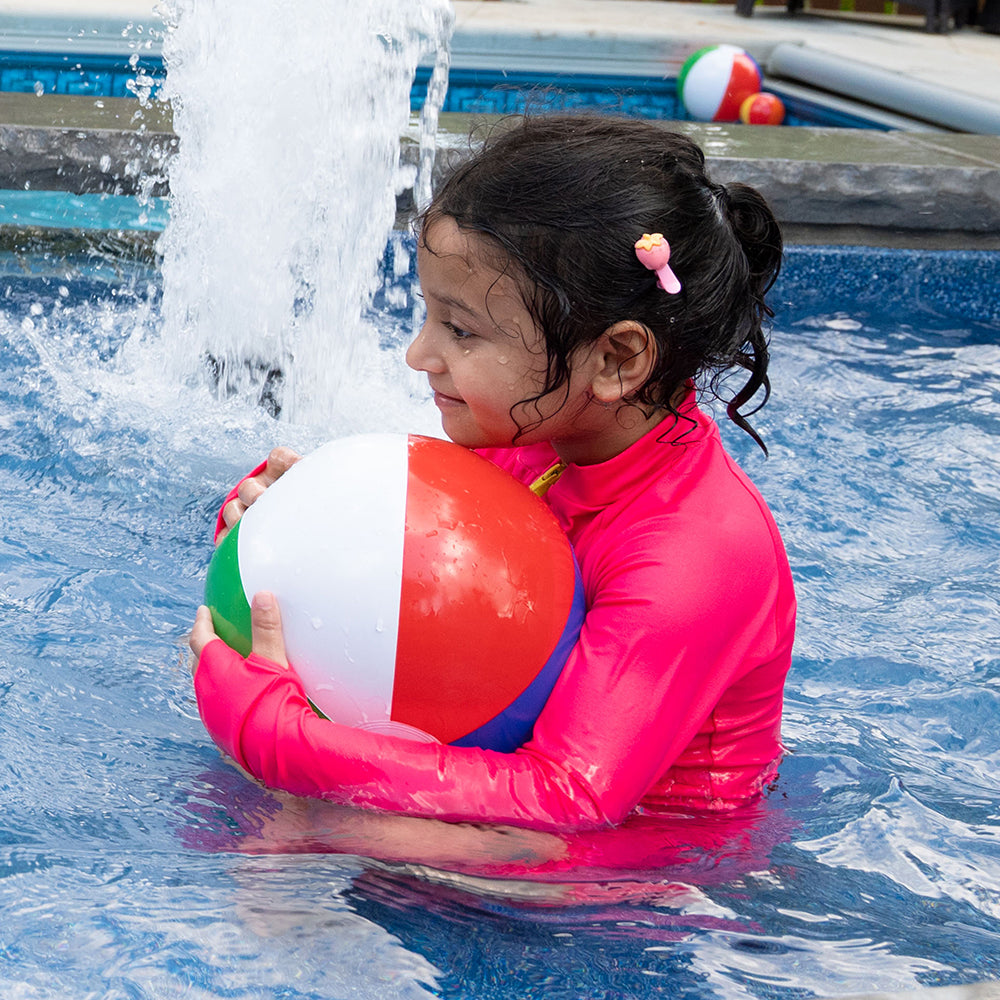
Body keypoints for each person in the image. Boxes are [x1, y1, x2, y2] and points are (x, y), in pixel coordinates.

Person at [190, 114, 796, 836]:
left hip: (643, 867)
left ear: (616, 359)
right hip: (503, 795)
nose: (419, 355)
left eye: (461, 330)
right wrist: (272, 530)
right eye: (429, 317)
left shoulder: (695, 551)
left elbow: (568, 800)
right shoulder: (536, 439)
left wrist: (276, 735)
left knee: (307, 832)